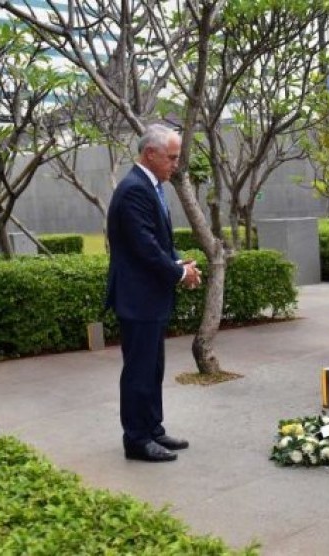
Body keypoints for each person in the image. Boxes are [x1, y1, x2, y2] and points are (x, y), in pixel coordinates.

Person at [106, 124, 201, 462]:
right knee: (139, 371)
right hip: (137, 299)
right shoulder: (134, 189)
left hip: (149, 297)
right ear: (150, 154)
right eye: (172, 157)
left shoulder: (150, 186)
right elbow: (144, 246)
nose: (176, 164)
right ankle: (136, 439)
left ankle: (153, 429)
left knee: (152, 368)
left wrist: (177, 261)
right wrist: (179, 273)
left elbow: (156, 242)